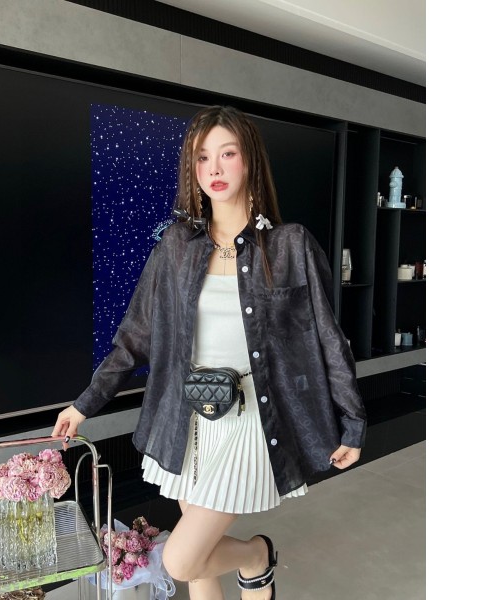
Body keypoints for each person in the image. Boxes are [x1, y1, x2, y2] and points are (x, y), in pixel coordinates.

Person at [52, 105, 366, 599]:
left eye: (227, 154)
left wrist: (353, 419)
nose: (214, 168)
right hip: (187, 419)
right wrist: (84, 404)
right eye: (202, 157)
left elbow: (329, 337)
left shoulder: (289, 246)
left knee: (182, 558)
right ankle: (256, 573)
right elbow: (135, 336)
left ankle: (256, 554)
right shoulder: (176, 246)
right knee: (200, 568)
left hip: (251, 418)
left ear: (250, 161)